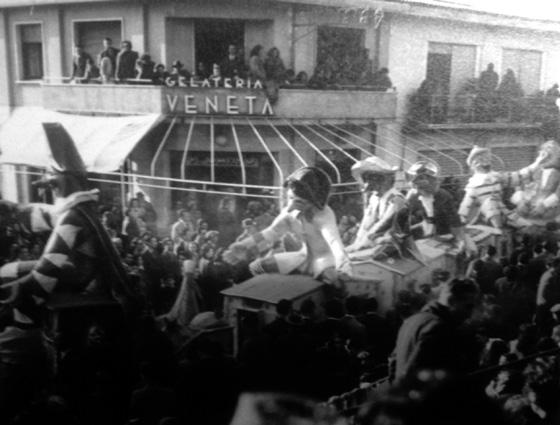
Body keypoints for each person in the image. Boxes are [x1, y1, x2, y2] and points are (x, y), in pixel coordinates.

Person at [0, 123, 135, 326]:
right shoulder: (78, 210)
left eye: (52, 181)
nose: (49, 186)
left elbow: (49, 266)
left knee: (7, 273)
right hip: (80, 272)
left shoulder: (72, 216)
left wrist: (22, 284)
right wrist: (11, 209)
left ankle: (24, 327)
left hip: (80, 277)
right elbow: (40, 215)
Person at [223, 167, 352, 286]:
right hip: (301, 257)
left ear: (316, 202)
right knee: (257, 267)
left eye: (299, 202)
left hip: (324, 261)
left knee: (334, 282)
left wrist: (343, 267)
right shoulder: (290, 211)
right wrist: (245, 245)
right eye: (290, 198)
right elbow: (272, 233)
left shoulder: (324, 216)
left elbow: (335, 243)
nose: (290, 207)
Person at [390, 278, 479, 383]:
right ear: (451, 301)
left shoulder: (411, 320)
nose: (470, 314)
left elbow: (393, 363)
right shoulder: (439, 328)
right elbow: (415, 373)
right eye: (469, 306)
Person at [346, 156, 420, 261]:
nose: (370, 183)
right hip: (377, 242)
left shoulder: (397, 199)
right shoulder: (374, 198)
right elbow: (367, 224)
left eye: (374, 178)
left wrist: (360, 245)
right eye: (366, 178)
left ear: (386, 179)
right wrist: (357, 243)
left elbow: (383, 225)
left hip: (396, 247)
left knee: (353, 258)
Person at [406, 161, 475, 254]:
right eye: (417, 180)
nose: (420, 185)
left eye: (424, 179)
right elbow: (405, 216)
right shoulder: (412, 196)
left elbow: (454, 221)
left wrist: (460, 240)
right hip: (423, 236)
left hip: (444, 235)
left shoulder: (443, 196)